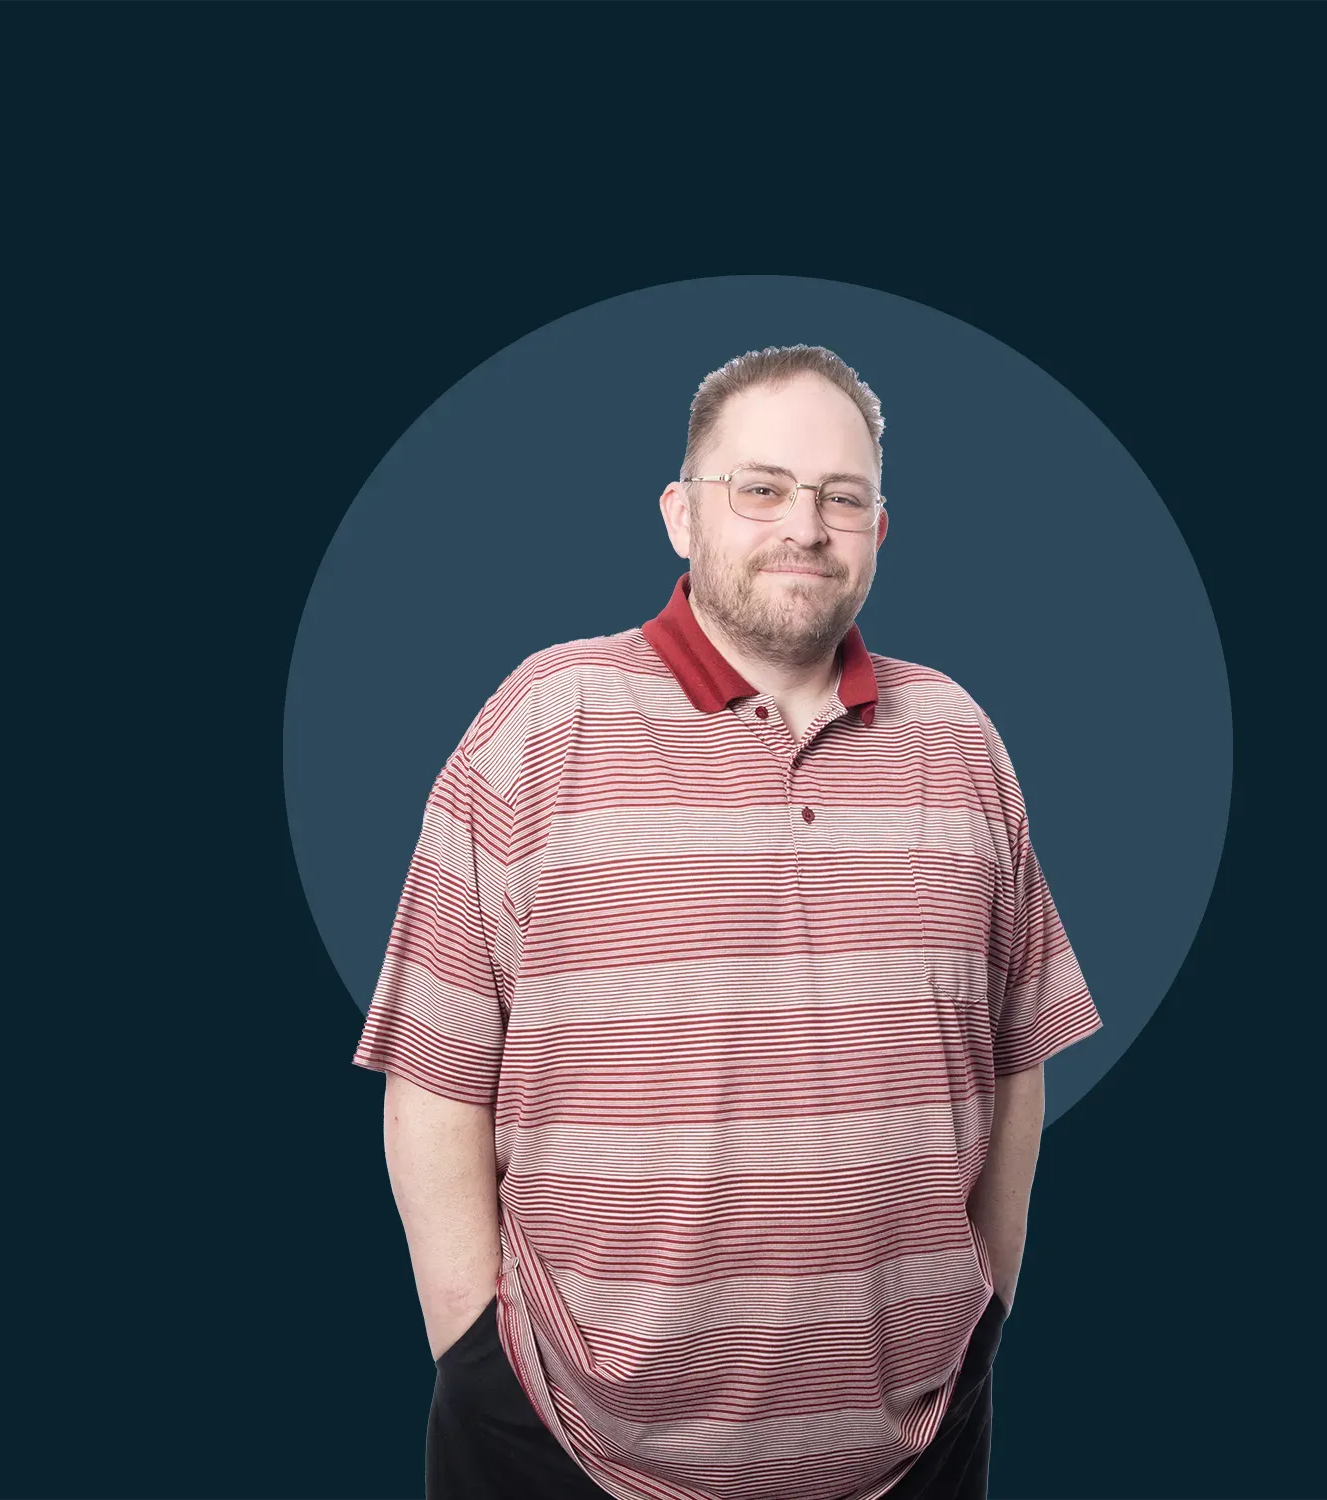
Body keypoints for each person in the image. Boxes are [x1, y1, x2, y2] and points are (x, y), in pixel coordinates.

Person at [352, 344, 1103, 1499]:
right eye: (760, 487)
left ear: (877, 529)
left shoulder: (957, 741)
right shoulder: (540, 725)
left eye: (840, 497)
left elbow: (1013, 1059)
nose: (803, 525)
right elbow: (436, 1074)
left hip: (909, 1457)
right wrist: (471, 1355)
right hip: (561, 1450)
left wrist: (983, 1318)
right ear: (677, 515)